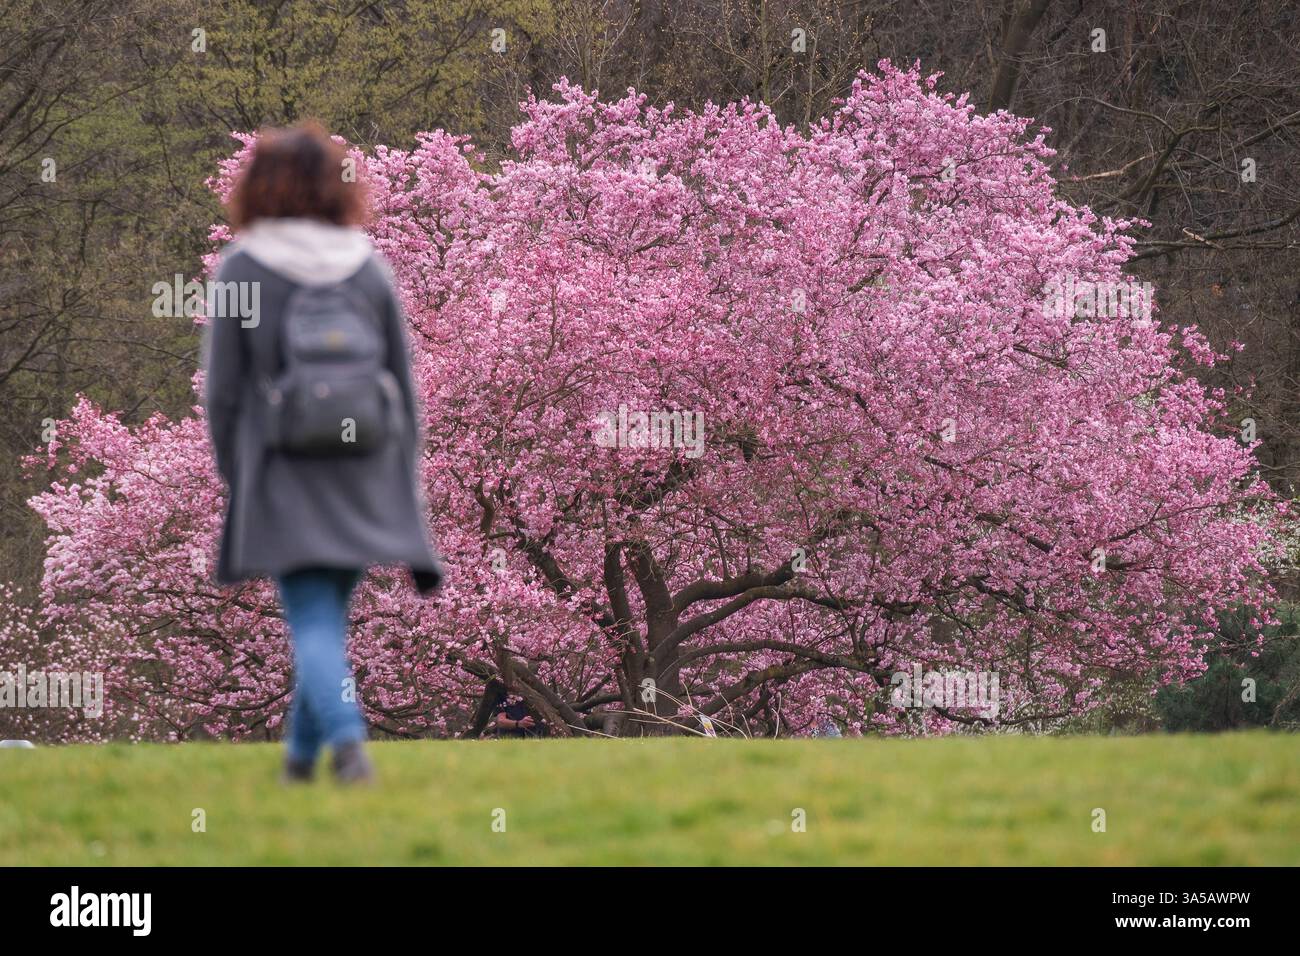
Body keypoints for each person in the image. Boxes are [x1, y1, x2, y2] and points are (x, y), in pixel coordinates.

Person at [202, 121, 442, 785]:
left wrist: (237, 473)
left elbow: (223, 394)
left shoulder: (245, 268)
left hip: (284, 466)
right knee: (324, 616)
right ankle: (299, 767)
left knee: (311, 617)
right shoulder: (366, 265)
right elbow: (403, 382)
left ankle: (347, 746)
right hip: (366, 465)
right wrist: (400, 474)